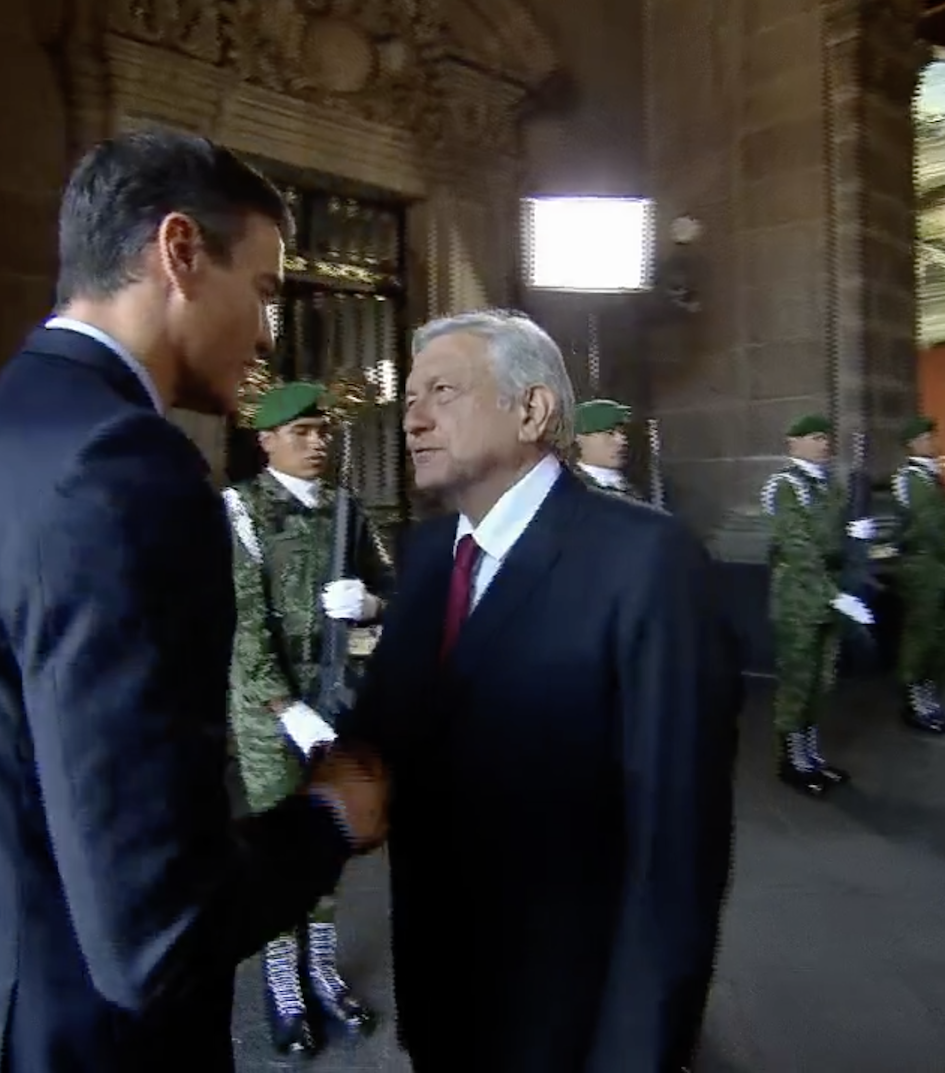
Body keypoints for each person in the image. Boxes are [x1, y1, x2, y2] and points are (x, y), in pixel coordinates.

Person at [0, 128, 388, 1072]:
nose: (269, 333)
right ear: (180, 251)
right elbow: (155, 929)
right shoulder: (124, 472)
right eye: (265, 291)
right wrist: (329, 816)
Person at [336, 309, 739, 1071]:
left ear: (533, 409)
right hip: (441, 994)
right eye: (409, 399)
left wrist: (639, 1047)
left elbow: (677, 846)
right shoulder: (426, 556)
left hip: (568, 1012)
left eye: (443, 392)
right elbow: (384, 740)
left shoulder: (645, 562)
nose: (413, 420)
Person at [223, 379, 394, 1054]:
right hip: (270, 708)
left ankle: (320, 967)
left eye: (323, 431)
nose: (317, 442)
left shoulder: (347, 510)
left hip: (335, 698)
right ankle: (282, 983)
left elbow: (390, 587)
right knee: (275, 849)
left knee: (328, 839)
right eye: (301, 432)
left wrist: (372, 607)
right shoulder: (240, 510)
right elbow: (241, 624)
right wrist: (283, 707)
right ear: (266, 440)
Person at [762, 413, 878, 793]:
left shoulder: (828, 485)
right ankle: (792, 761)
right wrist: (836, 596)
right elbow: (799, 549)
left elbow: (833, 538)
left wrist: (855, 534)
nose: (824, 443)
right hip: (799, 596)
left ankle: (812, 755)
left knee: (820, 681)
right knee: (798, 681)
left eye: (827, 437)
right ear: (793, 443)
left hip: (829, 591)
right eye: (815, 437)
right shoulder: (785, 487)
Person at [891, 416, 945, 733]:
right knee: (921, 636)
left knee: (938, 634)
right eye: (926, 438)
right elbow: (931, 524)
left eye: (932, 436)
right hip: (921, 566)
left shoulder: (930, 477)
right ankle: (914, 702)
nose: (933, 442)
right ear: (913, 444)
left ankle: (929, 699)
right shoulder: (911, 479)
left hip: (938, 563)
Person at [571, 398, 646, 500]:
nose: (622, 441)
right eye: (609, 433)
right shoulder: (572, 490)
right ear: (580, 438)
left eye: (622, 433)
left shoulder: (635, 488)